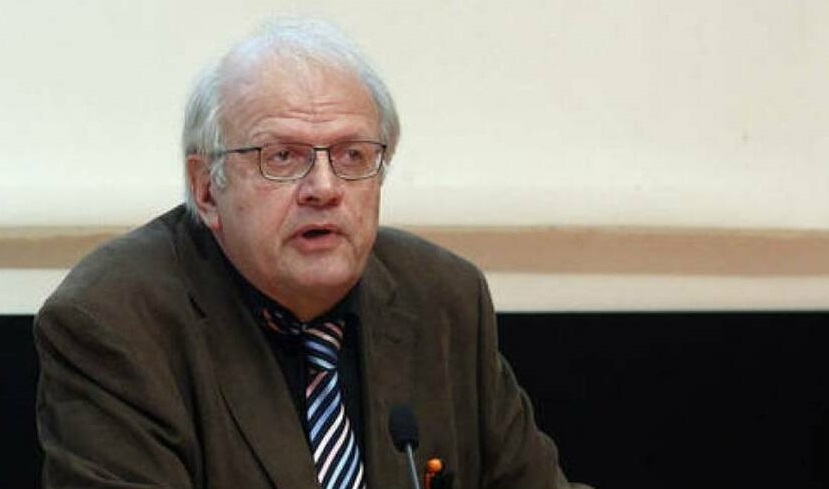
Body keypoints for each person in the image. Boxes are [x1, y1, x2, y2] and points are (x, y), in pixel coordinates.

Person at [33, 16, 591, 489]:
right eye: (282, 157)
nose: (324, 187)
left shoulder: (443, 298)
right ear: (206, 190)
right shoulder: (115, 323)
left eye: (352, 156)